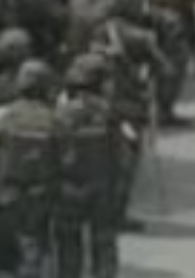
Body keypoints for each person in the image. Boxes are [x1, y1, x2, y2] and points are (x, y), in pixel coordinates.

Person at [0, 60, 61, 278]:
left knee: (4, 259)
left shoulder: (1, 115)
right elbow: (62, 158)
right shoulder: (54, 119)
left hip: (6, 193)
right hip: (40, 195)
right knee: (35, 251)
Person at [54, 54, 124, 278]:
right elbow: (120, 153)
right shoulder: (109, 111)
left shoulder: (61, 112)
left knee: (68, 241)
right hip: (102, 184)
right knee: (104, 241)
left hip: (68, 186)